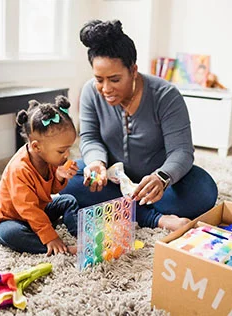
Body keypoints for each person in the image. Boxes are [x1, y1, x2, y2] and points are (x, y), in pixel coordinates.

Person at [61, 19, 218, 231]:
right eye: (99, 79)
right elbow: (90, 137)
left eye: (115, 79)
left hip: (156, 183)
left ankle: (121, 208)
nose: (105, 88)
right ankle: (156, 219)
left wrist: (162, 178)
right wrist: (96, 162)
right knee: (64, 180)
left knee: (203, 191)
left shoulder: (166, 95)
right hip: (112, 178)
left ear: (133, 70)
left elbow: (181, 151)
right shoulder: (90, 91)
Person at [0, 96, 79, 255]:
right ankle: (58, 248)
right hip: (10, 219)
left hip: (39, 210)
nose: (67, 154)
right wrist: (49, 236)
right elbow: (27, 208)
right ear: (37, 147)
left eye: (68, 149)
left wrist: (59, 176)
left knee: (68, 200)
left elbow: (50, 190)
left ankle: (82, 233)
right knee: (12, 234)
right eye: (61, 151)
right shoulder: (19, 169)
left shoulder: (49, 157)